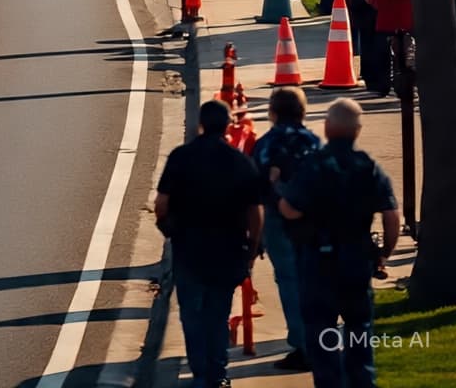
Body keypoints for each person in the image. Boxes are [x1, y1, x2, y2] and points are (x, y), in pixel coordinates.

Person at [279, 98, 400, 388]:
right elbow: (391, 215)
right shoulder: (368, 167)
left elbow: (289, 208)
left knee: (322, 335)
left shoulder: (313, 165)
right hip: (356, 262)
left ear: (327, 127)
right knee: (359, 331)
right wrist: (384, 253)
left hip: (318, 263)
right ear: (357, 130)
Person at [155, 99, 264, 388]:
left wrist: (169, 229)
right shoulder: (240, 162)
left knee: (191, 316)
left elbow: (161, 203)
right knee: (218, 316)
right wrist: (252, 247)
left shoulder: (181, 157)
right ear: (228, 124)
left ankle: (200, 373)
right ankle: (218, 374)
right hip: (227, 252)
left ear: (201, 124)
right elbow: (255, 212)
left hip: (189, 250)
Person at [252, 87, 322, 373]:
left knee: (289, 280)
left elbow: (255, 191)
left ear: (273, 112)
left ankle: (304, 345)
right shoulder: (314, 141)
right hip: (312, 218)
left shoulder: (265, 145)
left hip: (277, 220)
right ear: (303, 111)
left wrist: (254, 236)